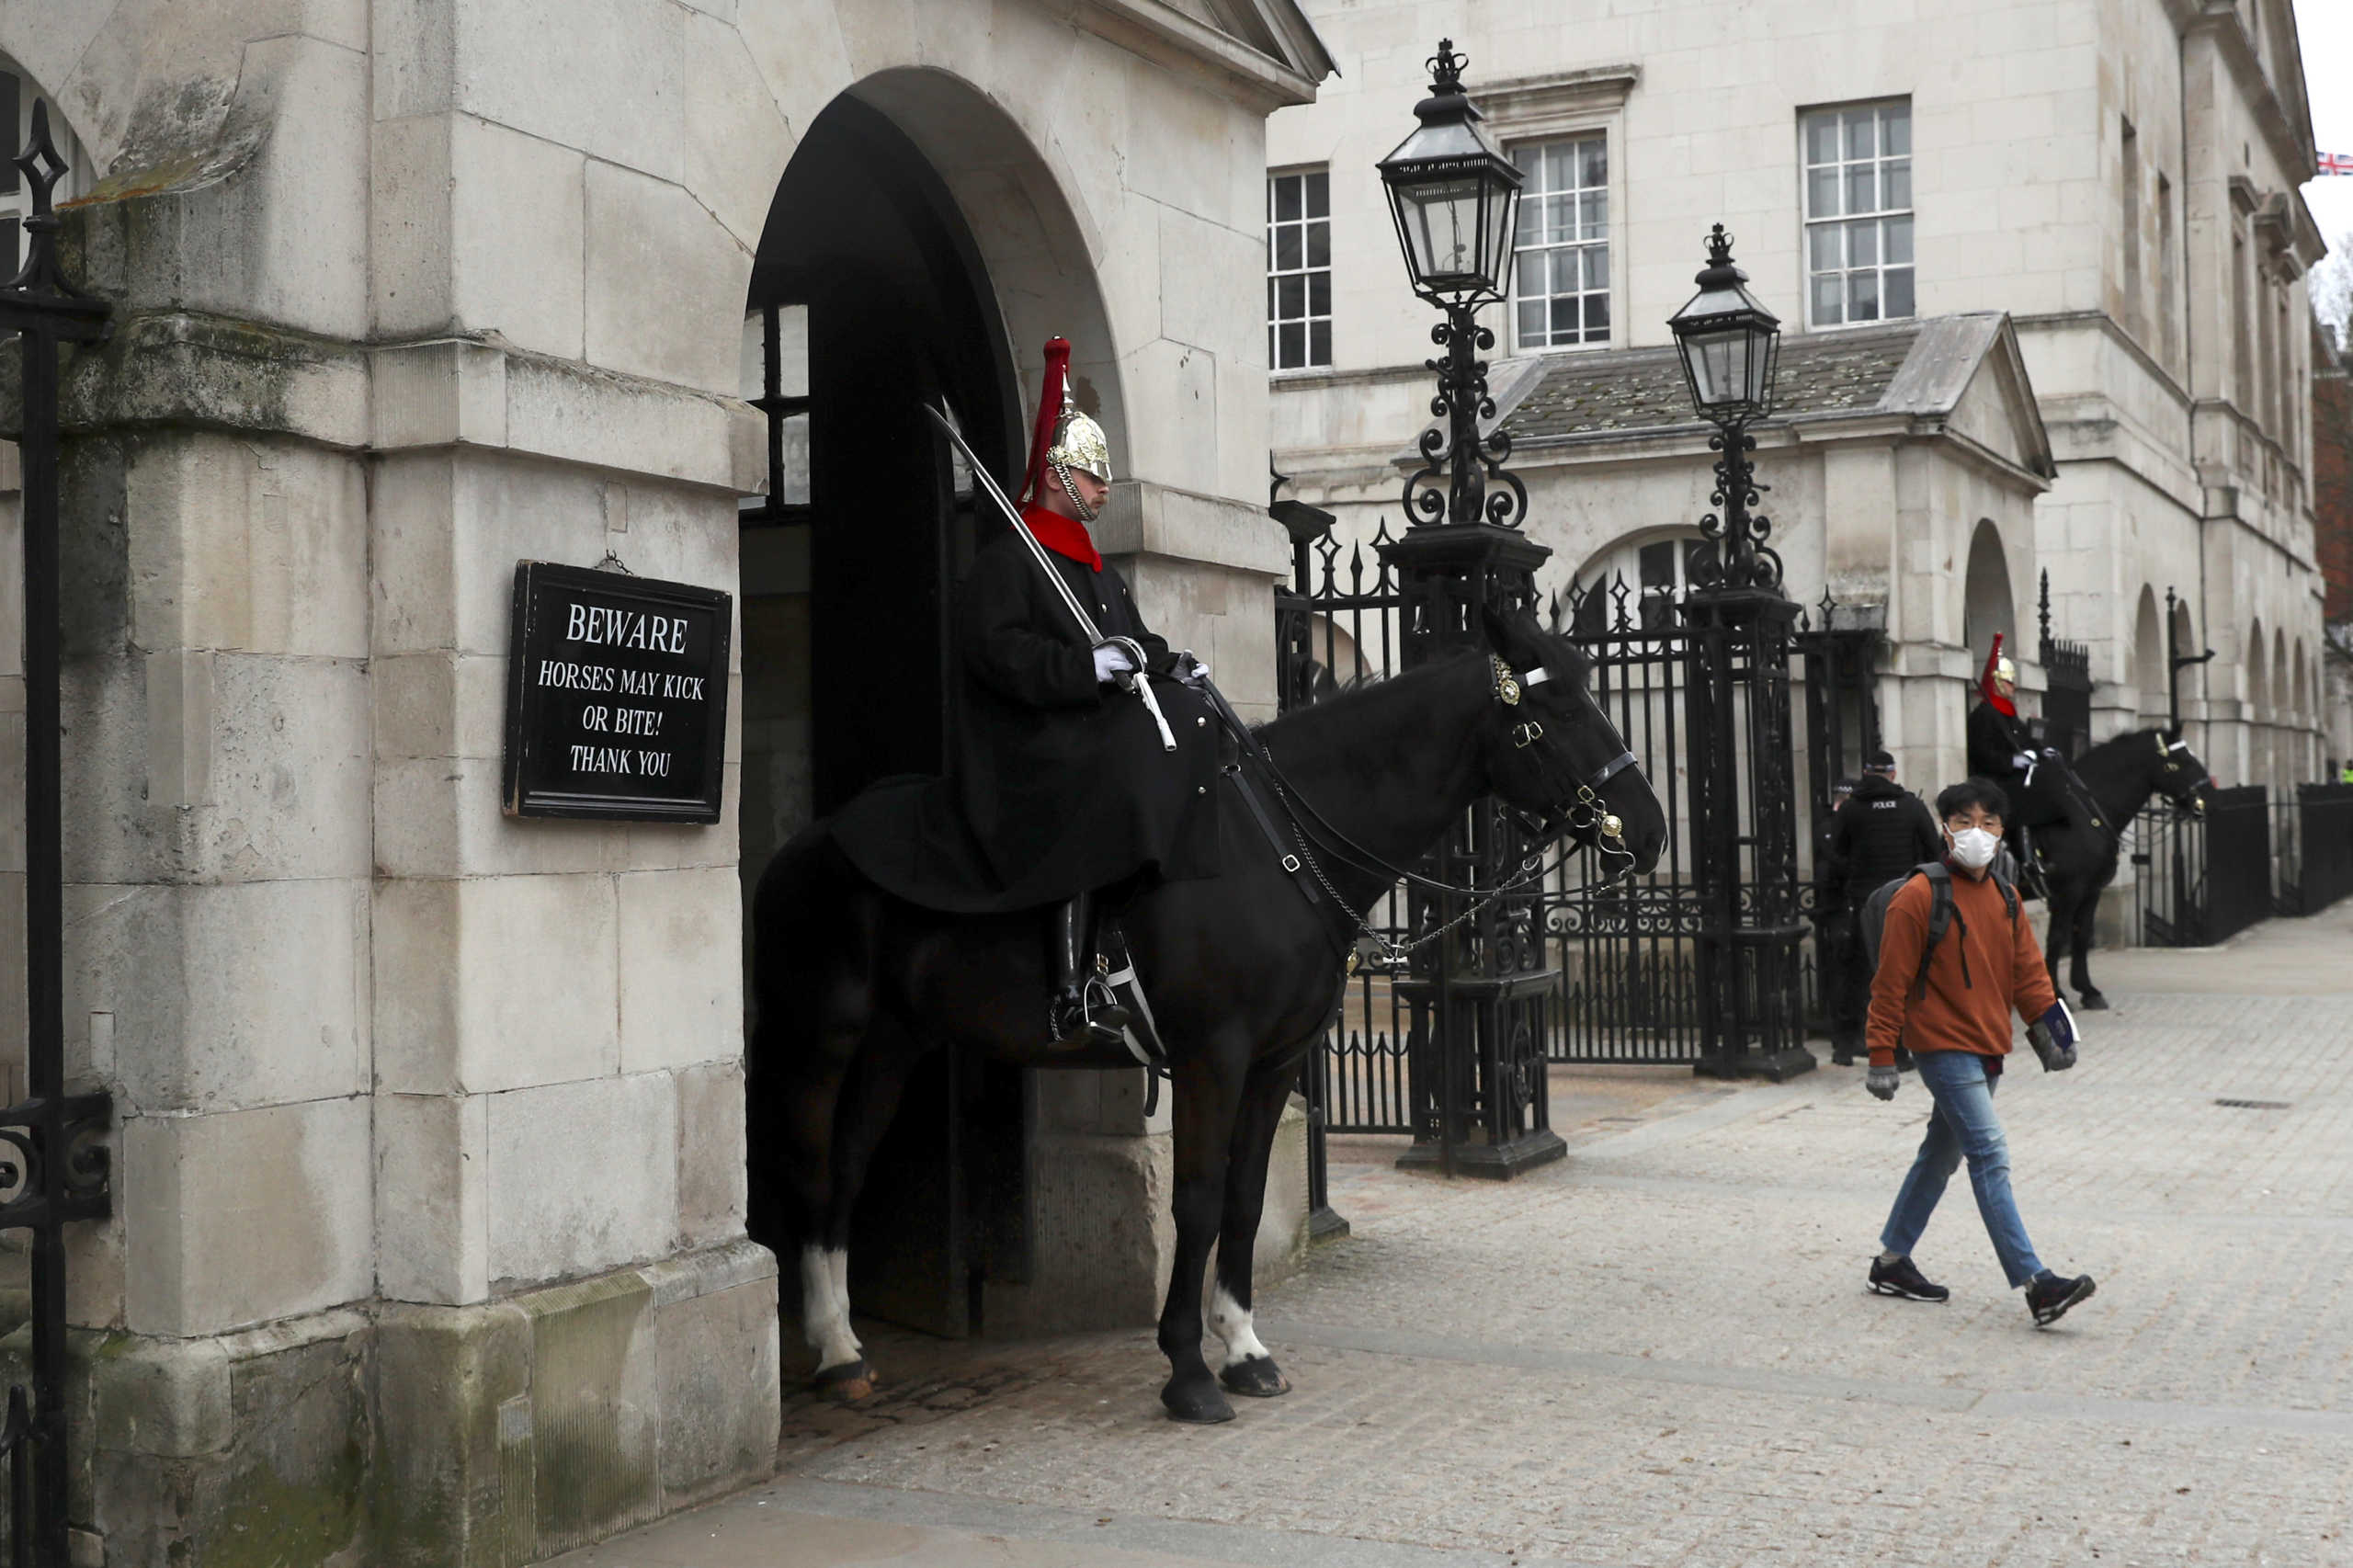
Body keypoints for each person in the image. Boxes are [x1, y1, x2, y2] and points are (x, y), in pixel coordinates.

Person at [1862, 777, 2097, 1327]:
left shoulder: (2007, 898)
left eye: (1989, 823)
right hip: (1942, 1048)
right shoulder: (1919, 896)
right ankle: (2038, 1284)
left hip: (1989, 1046)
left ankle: (1891, 1262)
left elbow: (2031, 978)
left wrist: (2055, 1032)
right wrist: (1880, 1056)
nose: (1978, 832)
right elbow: (1889, 984)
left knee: (1940, 1157)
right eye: (1965, 821)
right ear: (1945, 829)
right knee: (1989, 1153)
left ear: (2002, 832)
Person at [1823, 750, 1941, 1065]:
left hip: (1864, 901)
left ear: (1865, 773)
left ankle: (1846, 1046)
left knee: (1858, 972)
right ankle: (1900, 1051)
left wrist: (1854, 874)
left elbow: (1834, 856)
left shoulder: (1850, 810)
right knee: (1903, 974)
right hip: (1905, 900)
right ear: (1892, 774)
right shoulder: (1911, 807)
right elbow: (1934, 851)